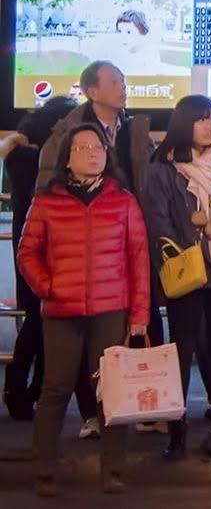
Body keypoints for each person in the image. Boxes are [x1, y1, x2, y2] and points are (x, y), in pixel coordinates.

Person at [19, 122, 149, 498]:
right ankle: (43, 471)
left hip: (110, 311)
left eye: (98, 147)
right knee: (55, 391)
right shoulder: (46, 201)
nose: (92, 153)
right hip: (61, 311)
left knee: (110, 393)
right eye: (83, 148)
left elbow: (138, 261)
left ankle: (114, 470)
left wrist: (139, 314)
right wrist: (48, 288)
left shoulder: (123, 201)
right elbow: (27, 253)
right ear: (67, 157)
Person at [140, 93, 211, 461]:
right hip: (185, 274)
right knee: (181, 351)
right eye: (201, 119)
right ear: (183, 124)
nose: (209, 127)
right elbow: (157, 221)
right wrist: (183, 244)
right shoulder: (162, 168)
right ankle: (177, 430)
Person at [2, 96, 76, 422]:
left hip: (26, 251)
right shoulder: (55, 164)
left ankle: (18, 392)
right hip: (55, 252)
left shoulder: (19, 159)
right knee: (48, 325)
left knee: (33, 323)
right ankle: (35, 391)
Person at [35, 61, 151, 199]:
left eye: (122, 81)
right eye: (114, 83)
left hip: (130, 217)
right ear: (93, 93)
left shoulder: (135, 131)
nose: (122, 87)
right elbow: (46, 185)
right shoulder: (68, 133)